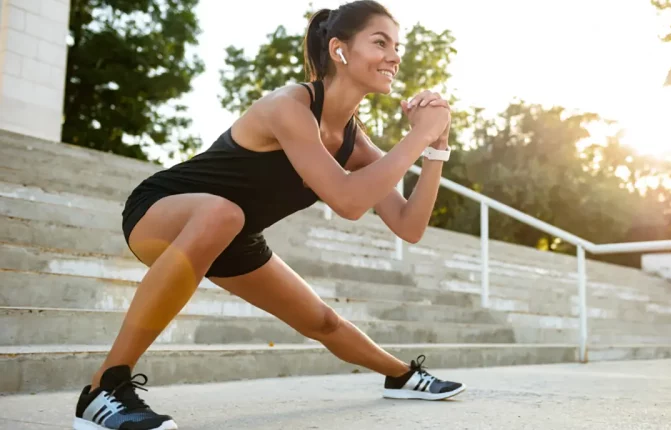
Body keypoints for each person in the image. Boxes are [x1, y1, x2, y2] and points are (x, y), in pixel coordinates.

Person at [73, 1, 465, 429]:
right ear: (340, 50)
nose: (395, 55)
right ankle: (103, 389)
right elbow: (348, 202)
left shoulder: (355, 144)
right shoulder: (289, 106)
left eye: (397, 45)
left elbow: (409, 226)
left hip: (231, 233)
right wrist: (420, 132)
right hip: (163, 210)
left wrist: (435, 149)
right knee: (223, 214)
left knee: (322, 320)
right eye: (380, 42)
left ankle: (402, 376)